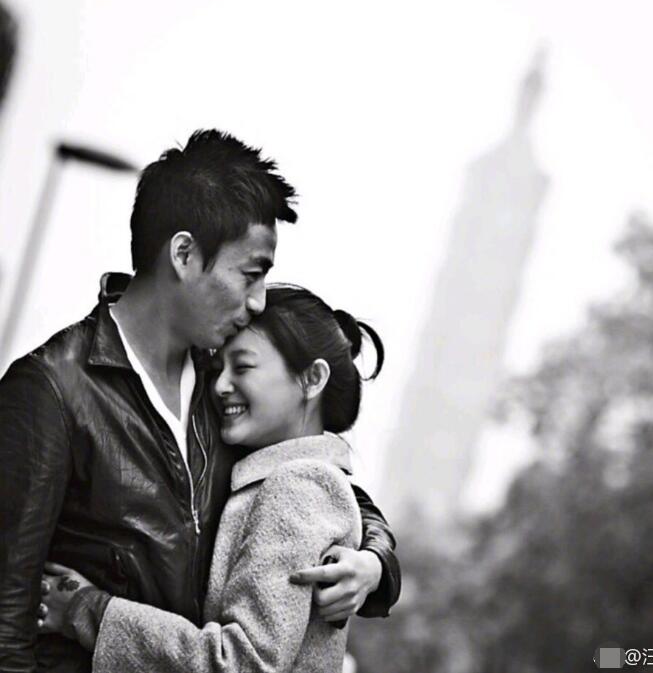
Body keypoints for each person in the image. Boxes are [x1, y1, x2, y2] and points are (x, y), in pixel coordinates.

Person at [0, 130, 401, 673]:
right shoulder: (51, 390)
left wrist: (375, 563)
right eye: (251, 274)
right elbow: (7, 623)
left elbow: (320, 483)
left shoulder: (225, 388)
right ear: (184, 254)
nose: (258, 301)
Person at [40, 284, 387, 673]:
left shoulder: (298, 486)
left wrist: (88, 610)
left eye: (243, 367)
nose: (220, 385)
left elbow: (245, 662)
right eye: (219, 368)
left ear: (312, 379)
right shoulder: (281, 476)